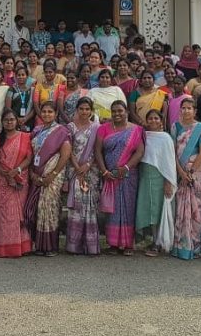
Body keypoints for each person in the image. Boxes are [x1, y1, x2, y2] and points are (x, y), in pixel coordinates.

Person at [94, 100, 145, 255]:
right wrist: (104, 171)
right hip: (110, 176)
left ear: (126, 112)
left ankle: (128, 244)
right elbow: (98, 151)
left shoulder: (136, 130)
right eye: (114, 111)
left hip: (128, 175)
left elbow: (140, 152)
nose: (117, 114)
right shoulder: (103, 128)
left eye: (120, 111)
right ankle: (113, 244)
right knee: (112, 208)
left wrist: (126, 167)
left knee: (129, 207)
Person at [24, 101, 73, 255]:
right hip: (36, 174)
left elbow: (65, 155)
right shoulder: (36, 130)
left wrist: (52, 174)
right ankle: (39, 245)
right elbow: (30, 154)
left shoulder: (62, 131)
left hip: (53, 175)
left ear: (56, 114)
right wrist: (32, 173)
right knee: (36, 208)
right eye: (44, 111)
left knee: (49, 208)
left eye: (50, 112)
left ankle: (50, 246)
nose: (46, 114)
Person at [0, 110, 33, 258]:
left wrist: (16, 171)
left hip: (20, 180)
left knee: (20, 214)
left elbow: (29, 157)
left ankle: (23, 247)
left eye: (12, 119)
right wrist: (6, 174)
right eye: (6, 120)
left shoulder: (25, 137)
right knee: (5, 214)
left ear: (17, 121)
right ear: (2, 122)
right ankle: (4, 248)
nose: (9, 122)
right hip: (3, 181)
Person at [171, 98, 201, 260]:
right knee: (180, 207)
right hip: (179, 171)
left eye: (189, 108)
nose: (186, 111)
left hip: (195, 173)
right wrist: (181, 172)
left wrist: (191, 172)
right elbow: (173, 151)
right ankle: (180, 245)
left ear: (195, 111)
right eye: (184, 108)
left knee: (195, 208)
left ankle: (195, 246)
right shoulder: (175, 127)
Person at [135, 109, 177, 257]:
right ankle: (152, 239)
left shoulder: (166, 138)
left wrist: (168, 182)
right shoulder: (144, 136)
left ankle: (157, 243)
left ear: (161, 121)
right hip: (144, 177)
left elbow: (169, 162)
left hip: (159, 178)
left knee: (157, 211)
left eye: (156, 118)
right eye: (150, 118)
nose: (153, 121)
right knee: (147, 209)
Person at [65, 97, 102, 255]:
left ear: (91, 111)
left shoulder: (97, 128)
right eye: (81, 109)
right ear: (77, 110)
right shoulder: (70, 127)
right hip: (75, 170)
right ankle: (74, 246)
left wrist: (88, 165)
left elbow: (98, 150)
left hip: (91, 171)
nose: (84, 112)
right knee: (77, 205)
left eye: (87, 109)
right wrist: (77, 166)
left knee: (90, 206)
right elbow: (68, 150)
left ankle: (90, 244)